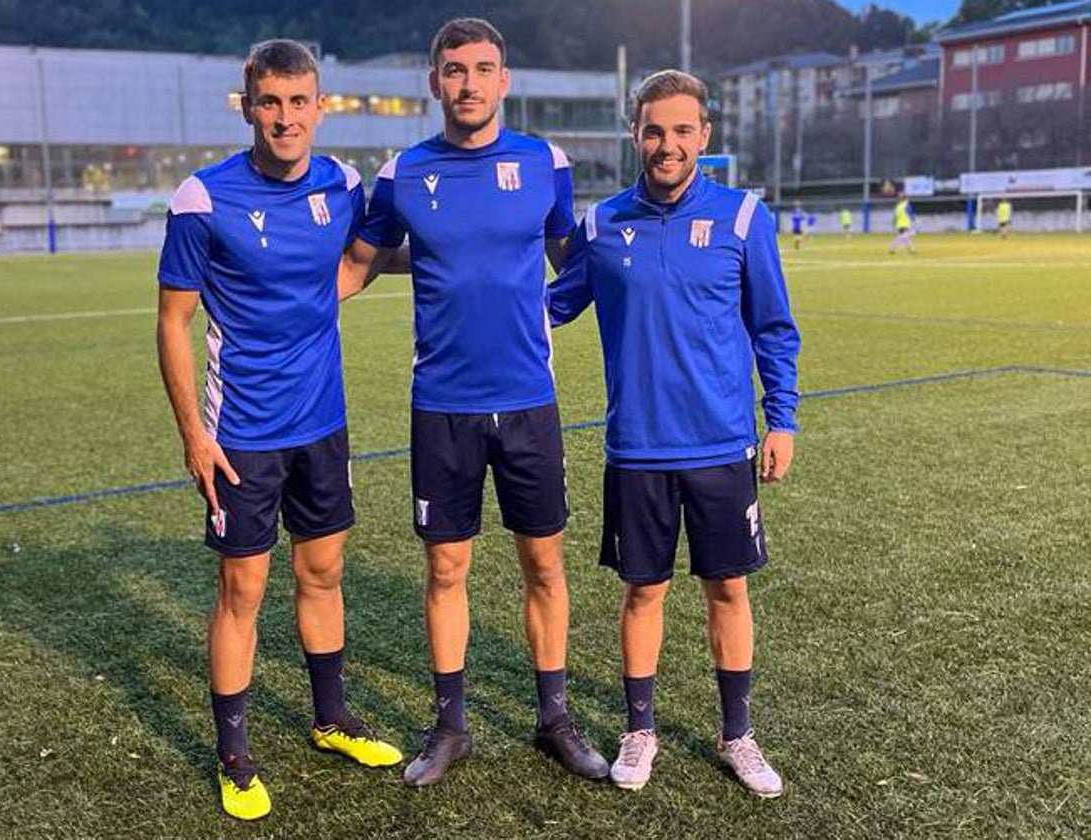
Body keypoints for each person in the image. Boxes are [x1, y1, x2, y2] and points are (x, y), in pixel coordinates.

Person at [338, 17, 608, 787]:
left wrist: (545, 313)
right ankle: (451, 725)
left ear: (503, 79)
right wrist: (285, 308)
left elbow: (577, 258)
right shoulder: (403, 173)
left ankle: (554, 717)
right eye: (454, 70)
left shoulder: (543, 162)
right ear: (436, 82)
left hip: (529, 401)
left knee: (544, 565)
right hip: (442, 405)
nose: (468, 83)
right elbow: (356, 264)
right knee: (447, 568)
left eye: (482, 69)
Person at [156, 39, 401, 822]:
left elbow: (354, 265)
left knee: (323, 573)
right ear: (248, 106)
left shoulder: (343, 183)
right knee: (243, 589)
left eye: (300, 103)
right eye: (271, 102)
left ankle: (330, 720)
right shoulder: (203, 198)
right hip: (244, 435)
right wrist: (195, 434)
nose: (285, 118)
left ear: (319, 108)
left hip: (323, 425)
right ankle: (234, 753)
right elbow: (172, 321)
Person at [547, 69, 801, 796]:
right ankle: (639, 730)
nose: (668, 144)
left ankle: (738, 734)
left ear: (704, 136)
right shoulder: (600, 227)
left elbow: (774, 328)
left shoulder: (745, 218)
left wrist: (780, 417)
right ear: (636, 133)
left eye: (682, 130)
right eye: (654, 130)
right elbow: (550, 309)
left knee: (729, 590)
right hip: (638, 448)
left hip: (723, 444)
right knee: (642, 593)